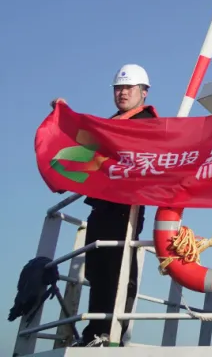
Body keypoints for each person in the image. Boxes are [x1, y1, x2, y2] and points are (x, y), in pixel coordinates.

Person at [52, 65, 158, 347]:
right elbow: (88, 146)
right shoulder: (110, 123)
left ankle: (111, 332)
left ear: (144, 92)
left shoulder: (148, 123)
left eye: (128, 88)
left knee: (118, 270)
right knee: (97, 270)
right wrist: (64, 118)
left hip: (125, 208)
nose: (122, 93)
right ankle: (95, 331)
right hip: (102, 207)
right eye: (118, 88)